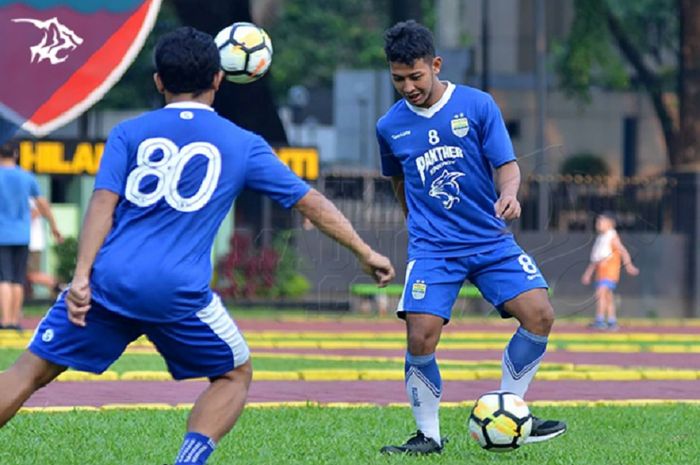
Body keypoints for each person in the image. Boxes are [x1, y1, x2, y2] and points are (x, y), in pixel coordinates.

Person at [0, 26, 395, 465]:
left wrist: (79, 277)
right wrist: (365, 251)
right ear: (219, 79)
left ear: (158, 82)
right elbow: (313, 203)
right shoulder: (243, 144)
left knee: (28, 370)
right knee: (234, 374)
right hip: (177, 290)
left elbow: (102, 204)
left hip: (108, 281)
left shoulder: (129, 133)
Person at [375, 21, 567, 455]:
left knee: (539, 314)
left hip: (490, 241)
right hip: (433, 248)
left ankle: (513, 410)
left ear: (435, 65)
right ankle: (428, 435)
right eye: (398, 78)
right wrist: (415, 222)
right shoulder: (389, 126)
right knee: (419, 335)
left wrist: (510, 195)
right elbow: (398, 181)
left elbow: (507, 163)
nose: (408, 87)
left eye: (416, 76)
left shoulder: (477, 106)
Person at [0, 143, 62, 330]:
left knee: (4, 278)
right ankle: (14, 320)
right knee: (18, 279)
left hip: (2, 235)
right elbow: (42, 204)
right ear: (16, 154)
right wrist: (53, 226)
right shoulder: (27, 177)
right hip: (22, 235)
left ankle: (4, 321)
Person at [581, 211, 639, 330]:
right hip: (600, 273)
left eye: (601, 221)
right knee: (608, 297)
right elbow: (595, 260)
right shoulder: (601, 238)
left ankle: (600, 320)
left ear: (610, 223)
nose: (598, 223)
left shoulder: (612, 237)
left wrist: (629, 266)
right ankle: (612, 321)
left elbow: (623, 251)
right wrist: (588, 274)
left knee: (600, 294)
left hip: (609, 271)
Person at [26, 199, 65, 299]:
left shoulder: (30, 196)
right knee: (23, 277)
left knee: (31, 275)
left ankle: (59, 286)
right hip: (25, 242)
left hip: (32, 243)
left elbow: (44, 207)